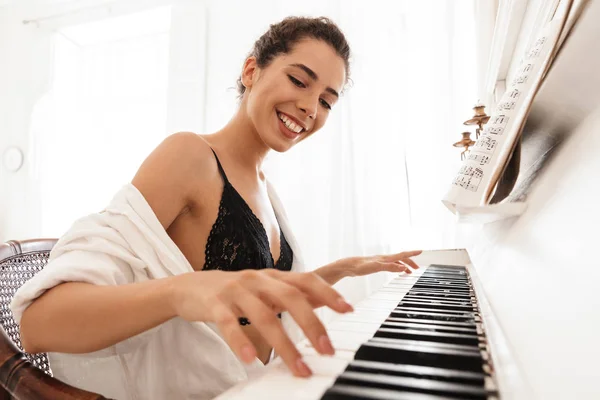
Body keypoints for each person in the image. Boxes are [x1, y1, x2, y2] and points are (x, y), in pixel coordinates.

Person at [11, 16, 421, 399]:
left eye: (327, 101)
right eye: (299, 80)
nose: (311, 108)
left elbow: (250, 298)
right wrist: (179, 291)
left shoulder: (265, 189)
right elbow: (40, 323)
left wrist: (342, 269)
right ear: (251, 71)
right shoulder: (189, 156)